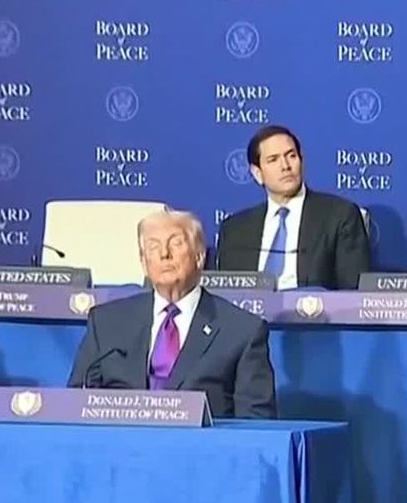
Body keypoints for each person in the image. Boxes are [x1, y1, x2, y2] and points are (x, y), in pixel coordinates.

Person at [68, 209, 276, 419]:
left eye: (175, 243)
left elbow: (256, 423)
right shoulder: (107, 323)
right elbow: (76, 406)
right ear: (144, 262)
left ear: (199, 257)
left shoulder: (241, 331)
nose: (164, 254)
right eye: (153, 246)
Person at [212, 124, 371, 290]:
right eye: (273, 160)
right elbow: (225, 294)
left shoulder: (339, 216)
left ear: (302, 161)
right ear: (257, 173)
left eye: (291, 156)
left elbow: (352, 292)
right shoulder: (235, 230)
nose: (285, 166)